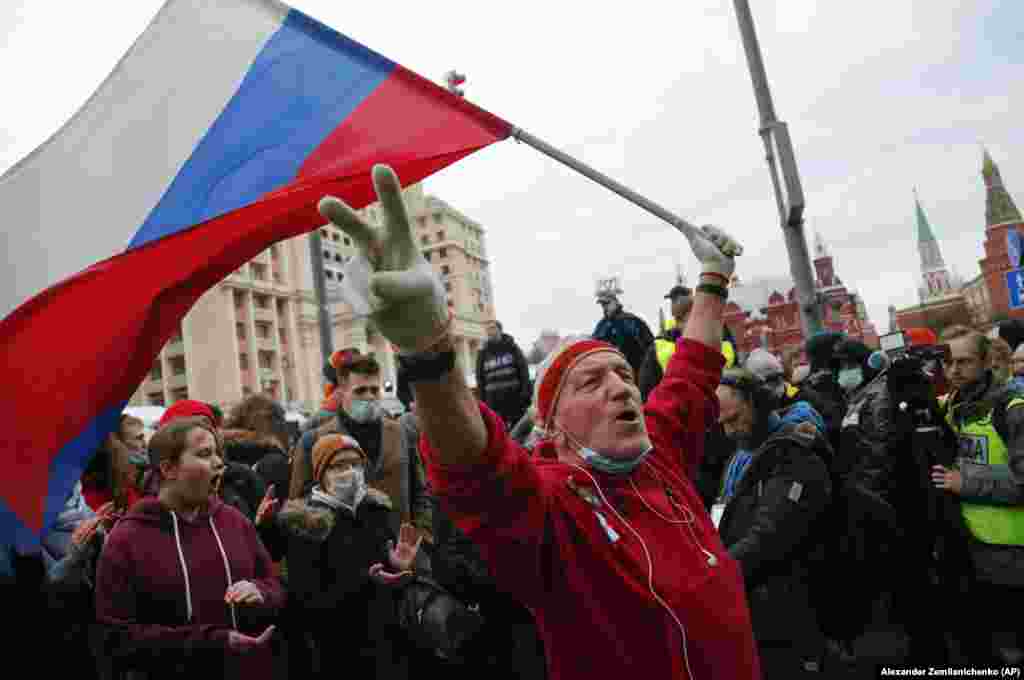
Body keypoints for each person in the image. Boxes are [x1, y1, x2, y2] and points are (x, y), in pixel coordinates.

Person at [317, 164, 759, 679]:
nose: (620, 387)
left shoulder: (660, 453)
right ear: (550, 427)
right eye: (591, 383)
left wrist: (713, 280)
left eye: (622, 373)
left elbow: (691, 372)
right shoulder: (550, 505)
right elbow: (476, 471)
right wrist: (428, 351)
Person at [94, 417, 283, 680]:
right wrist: (212, 642)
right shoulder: (126, 539)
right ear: (169, 469)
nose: (219, 463)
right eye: (205, 454)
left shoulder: (235, 521)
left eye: (217, 453)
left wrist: (260, 592)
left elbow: (274, 586)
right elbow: (117, 638)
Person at [714, 368, 832, 677]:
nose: (728, 431)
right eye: (723, 423)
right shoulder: (740, 454)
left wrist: (716, 576)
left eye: (735, 418)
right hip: (755, 604)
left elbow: (770, 535)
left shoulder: (794, 454)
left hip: (792, 610)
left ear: (757, 402)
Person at [278, 433, 419, 677]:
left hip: (386, 645)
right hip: (336, 652)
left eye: (355, 464)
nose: (350, 472)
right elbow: (307, 598)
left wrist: (397, 568)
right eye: (338, 466)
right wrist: (366, 581)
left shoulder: (376, 510)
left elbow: (390, 582)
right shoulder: (307, 523)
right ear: (320, 473)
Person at [935, 325, 1024, 665]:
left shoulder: (1012, 408)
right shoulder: (951, 408)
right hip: (969, 553)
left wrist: (964, 482)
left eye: (965, 362)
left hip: (1012, 558)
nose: (954, 371)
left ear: (987, 361)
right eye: (949, 362)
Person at [475, 320, 532, 430]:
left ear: (500, 330)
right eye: (487, 330)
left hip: (514, 400)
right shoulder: (483, 353)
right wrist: (483, 401)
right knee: (500, 432)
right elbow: (480, 379)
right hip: (494, 403)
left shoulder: (512, 347)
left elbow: (523, 371)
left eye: (492, 328)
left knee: (518, 433)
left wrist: (525, 394)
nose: (490, 332)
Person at [592, 291, 655, 377]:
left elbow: (650, 348)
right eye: (602, 305)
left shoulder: (632, 321)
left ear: (616, 302)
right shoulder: (602, 326)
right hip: (610, 375)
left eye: (607, 304)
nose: (604, 308)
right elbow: (593, 348)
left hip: (634, 374)